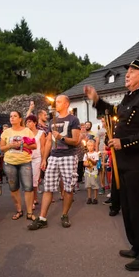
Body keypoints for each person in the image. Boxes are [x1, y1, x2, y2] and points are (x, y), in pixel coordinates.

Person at [84, 55, 139, 271]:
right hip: (125, 163)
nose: (126, 75)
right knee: (128, 207)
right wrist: (96, 99)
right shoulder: (130, 98)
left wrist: (124, 142)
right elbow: (112, 112)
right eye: (127, 71)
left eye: (132, 72)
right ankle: (137, 246)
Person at [28, 95, 80, 230]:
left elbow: (76, 141)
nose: (56, 104)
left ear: (67, 104)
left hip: (69, 156)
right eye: (56, 101)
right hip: (54, 157)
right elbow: (49, 142)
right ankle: (42, 218)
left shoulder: (73, 119)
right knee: (48, 187)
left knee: (68, 188)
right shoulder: (53, 121)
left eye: (59, 101)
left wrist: (61, 137)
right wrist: (44, 158)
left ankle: (64, 215)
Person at [0, 111, 36, 221]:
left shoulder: (27, 131)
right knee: (13, 188)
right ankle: (19, 210)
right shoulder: (6, 132)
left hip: (25, 161)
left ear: (20, 119)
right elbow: (1, 148)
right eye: (10, 116)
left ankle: (29, 212)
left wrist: (21, 144)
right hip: (10, 163)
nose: (12, 118)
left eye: (15, 116)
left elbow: (34, 146)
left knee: (28, 187)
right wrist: (10, 145)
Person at [25, 114, 45, 209]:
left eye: (29, 121)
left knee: (35, 180)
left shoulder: (41, 133)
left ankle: (33, 199)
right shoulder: (25, 133)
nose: (28, 123)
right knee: (28, 180)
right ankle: (34, 198)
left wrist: (43, 160)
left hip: (37, 158)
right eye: (27, 122)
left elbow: (43, 147)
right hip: (26, 158)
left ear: (35, 123)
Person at [83, 139, 100, 204]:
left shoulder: (95, 154)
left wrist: (90, 160)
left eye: (91, 146)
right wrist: (86, 164)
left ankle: (95, 198)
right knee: (88, 185)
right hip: (87, 172)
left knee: (94, 184)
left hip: (93, 172)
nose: (90, 147)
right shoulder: (86, 154)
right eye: (88, 146)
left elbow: (95, 163)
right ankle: (89, 197)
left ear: (94, 146)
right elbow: (84, 162)